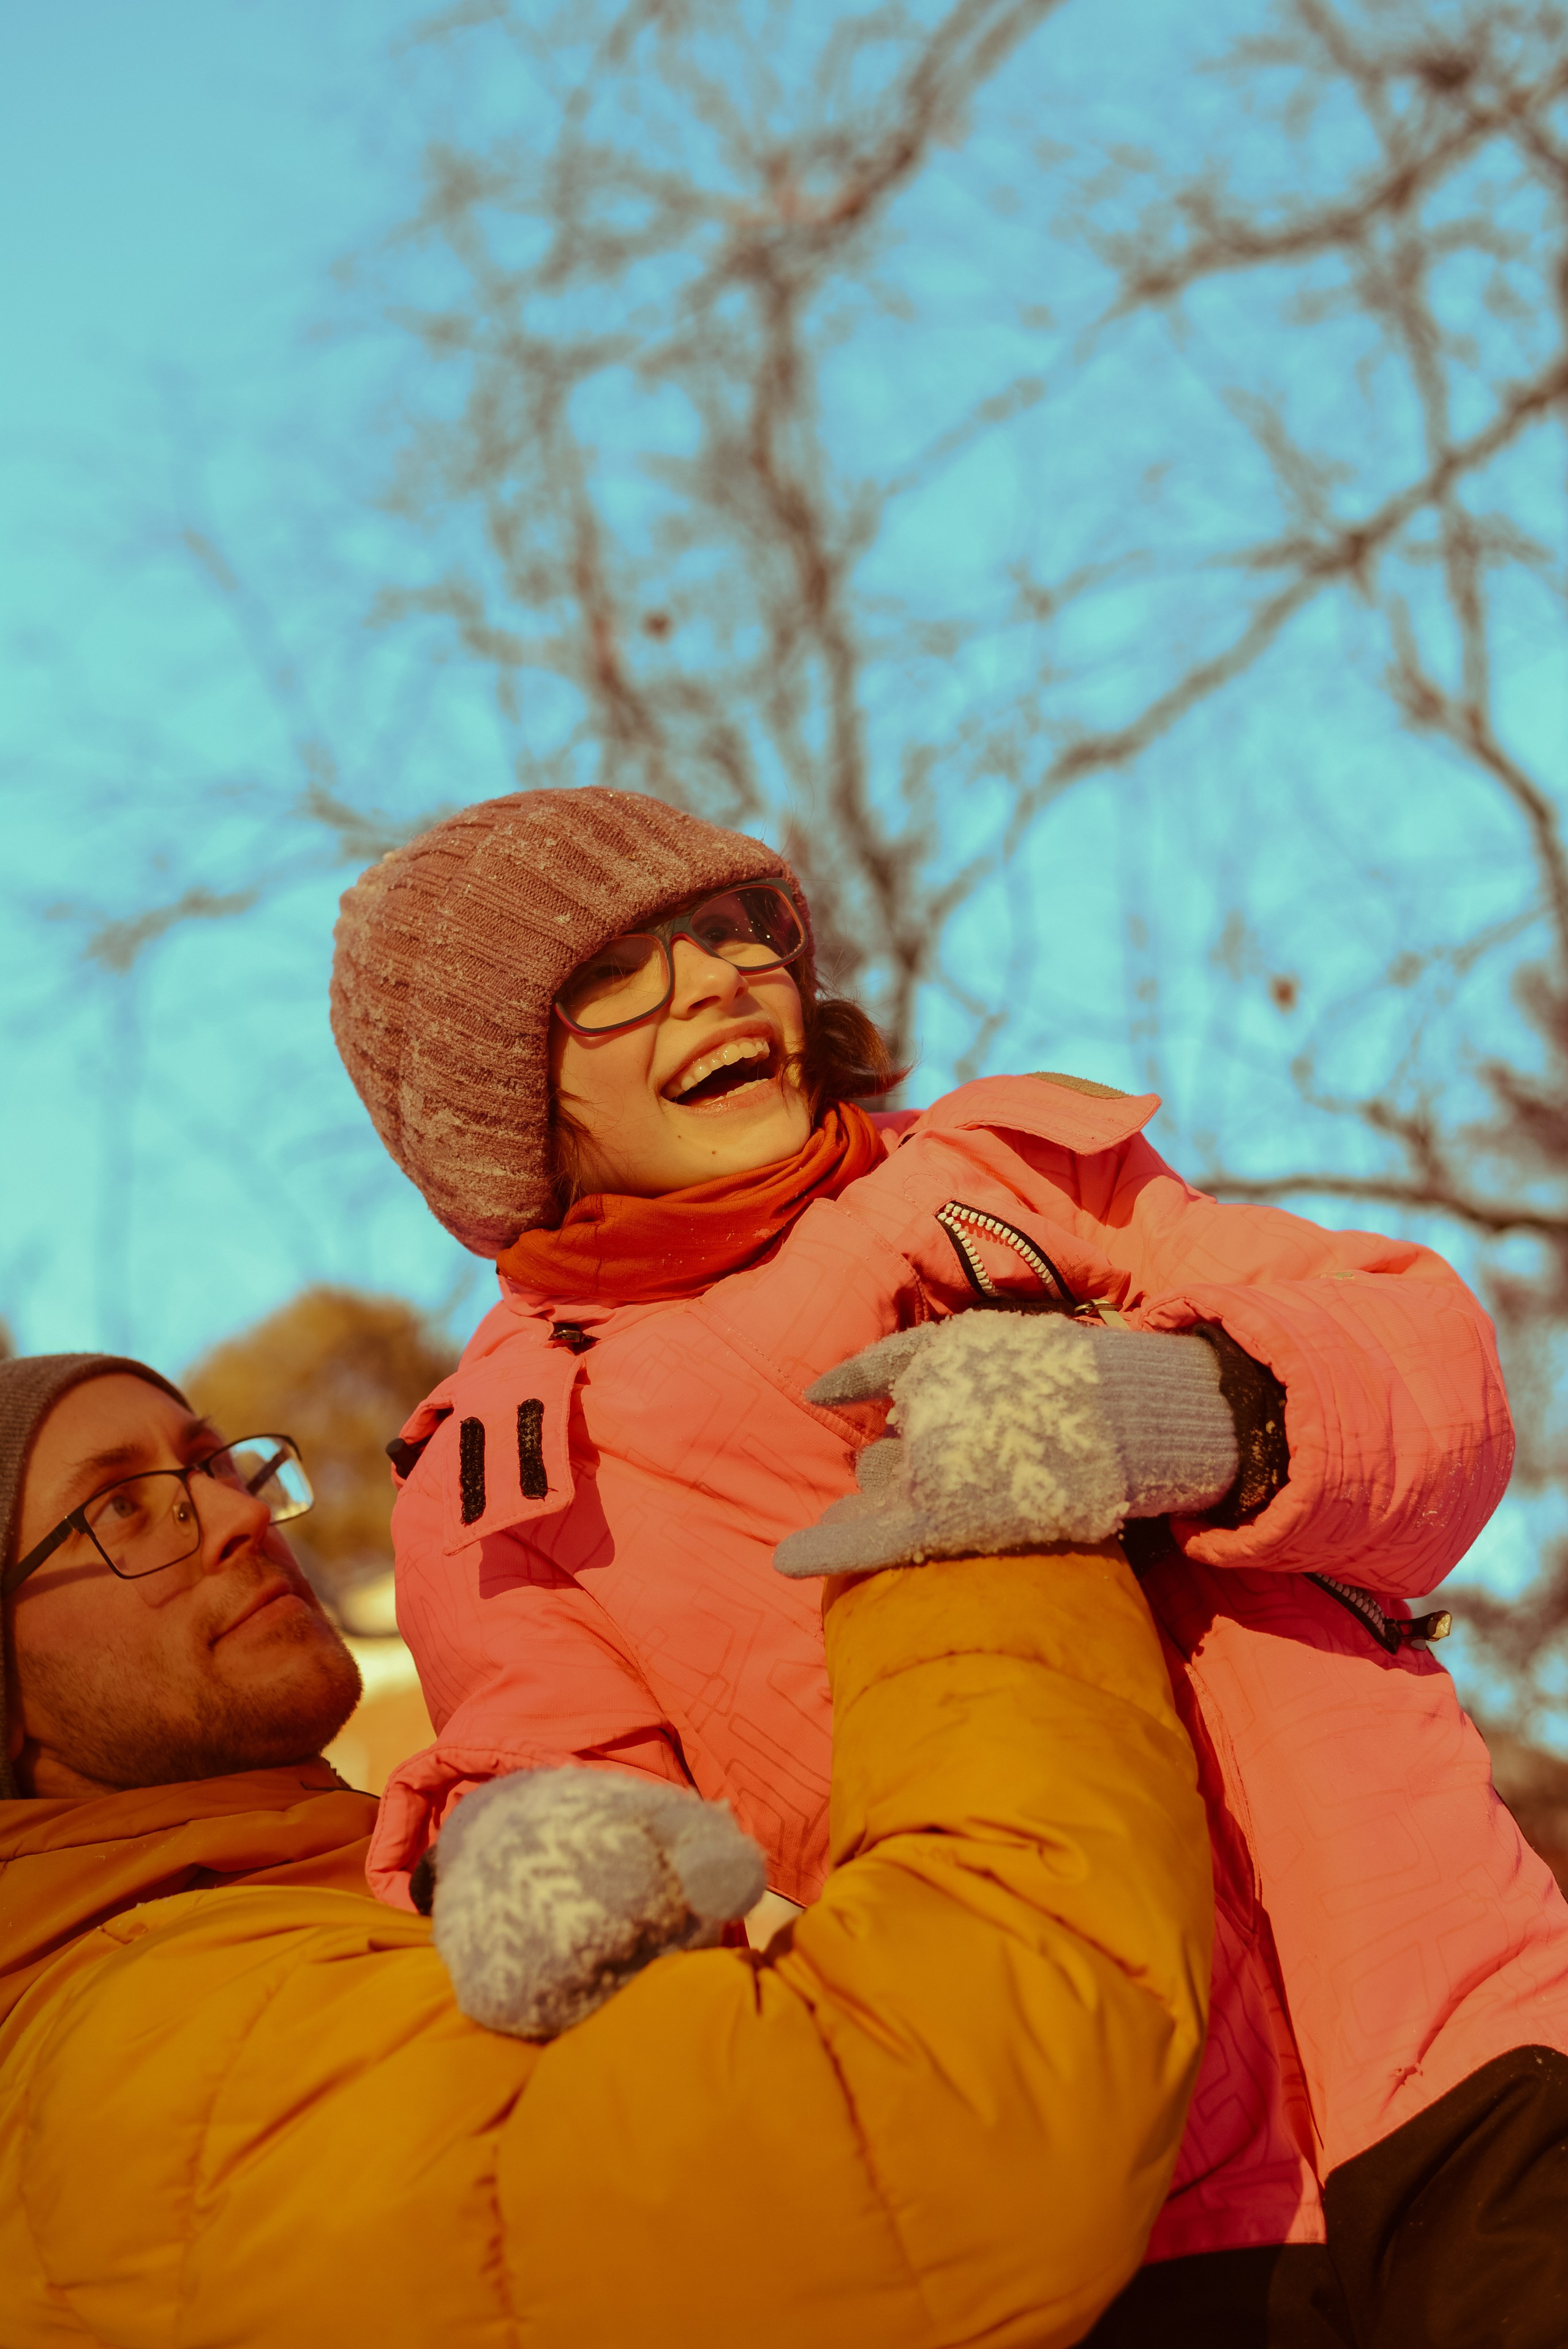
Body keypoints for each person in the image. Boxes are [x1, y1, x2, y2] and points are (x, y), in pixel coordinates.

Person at [330, 786, 1568, 2347]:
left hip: (1448, 2021)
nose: (713, 981)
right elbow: (538, 1737)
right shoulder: (503, 1459)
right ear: (504, 1103)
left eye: (733, 933)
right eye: (616, 975)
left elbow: (1420, 1357)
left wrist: (1196, 1409)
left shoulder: (1009, 1173)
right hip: (1118, 2172)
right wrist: (532, 1843)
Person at [0, 1349, 1211, 2348]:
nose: (237, 1513)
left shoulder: (320, 1912)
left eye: (212, 1463)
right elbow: (942, 2146)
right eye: (121, 1508)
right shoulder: (138, 2076)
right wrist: (977, 1541)